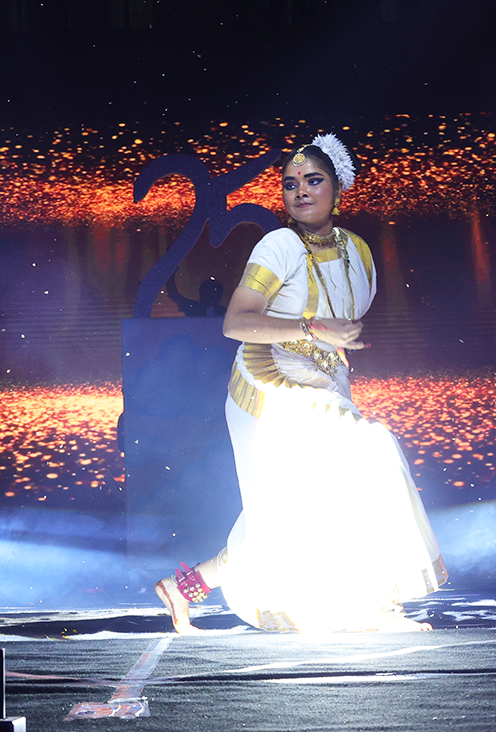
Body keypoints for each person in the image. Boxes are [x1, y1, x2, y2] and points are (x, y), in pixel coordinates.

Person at [153, 134, 446, 634]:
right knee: (369, 456)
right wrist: (312, 330)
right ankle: (373, 605)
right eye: (290, 184)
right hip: (269, 385)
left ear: (338, 188)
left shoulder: (358, 251)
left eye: (313, 180)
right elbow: (235, 323)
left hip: (323, 384)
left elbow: (347, 319)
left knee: (287, 515)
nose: (301, 191)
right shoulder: (279, 245)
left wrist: (332, 343)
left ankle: (185, 587)